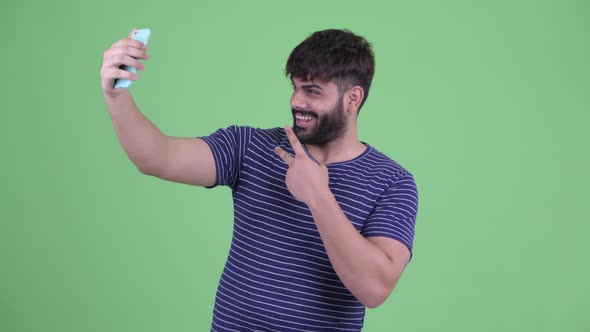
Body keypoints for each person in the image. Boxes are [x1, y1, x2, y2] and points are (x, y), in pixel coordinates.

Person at [101, 28, 418, 331]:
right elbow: (158, 157)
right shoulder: (250, 146)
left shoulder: (393, 182)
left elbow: (375, 289)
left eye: (312, 91)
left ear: (352, 98)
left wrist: (318, 197)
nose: (297, 101)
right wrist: (117, 97)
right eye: (295, 86)